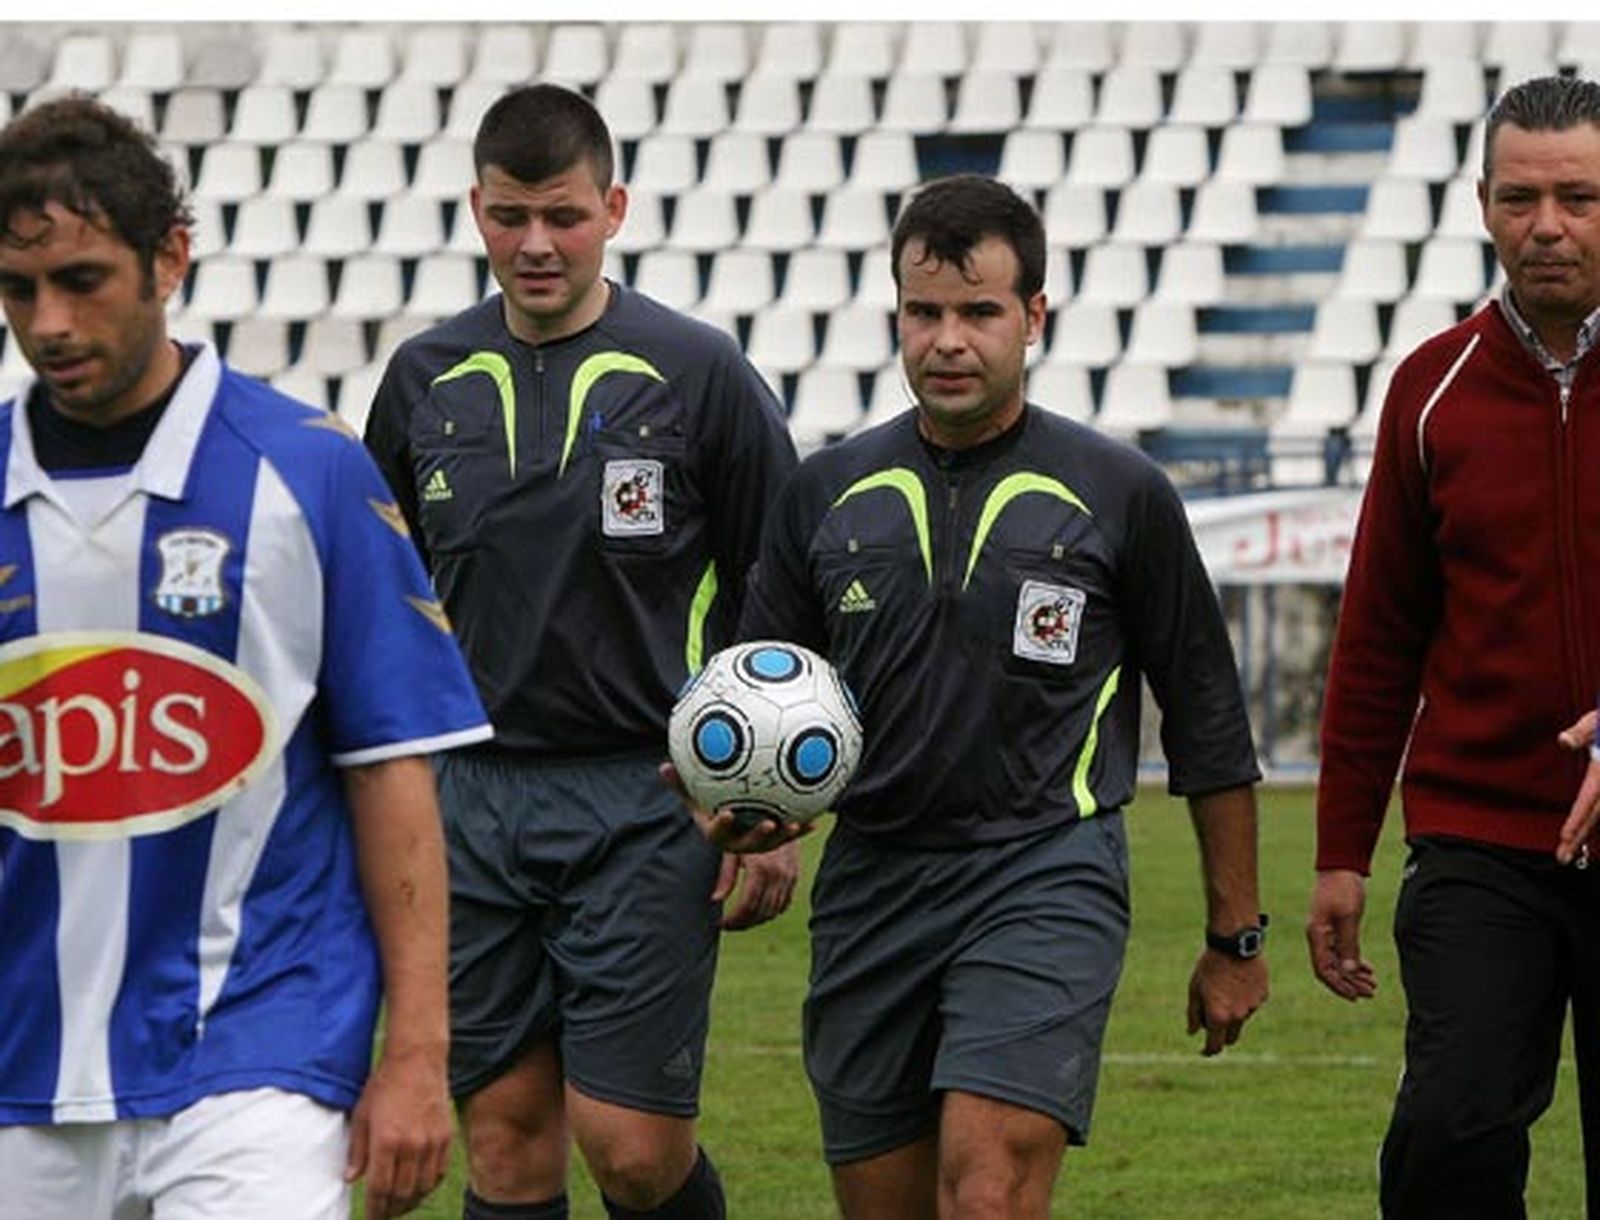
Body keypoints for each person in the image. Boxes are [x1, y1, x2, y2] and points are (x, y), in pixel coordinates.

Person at [688, 173, 1268, 1219]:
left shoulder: (1119, 493)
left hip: (1043, 867)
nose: (947, 340)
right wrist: (747, 819)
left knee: (986, 1186)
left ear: (1033, 317)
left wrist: (1234, 937)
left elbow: (1208, 718)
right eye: (924, 313)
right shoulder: (824, 495)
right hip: (872, 882)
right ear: (896, 316)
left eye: (978, 311)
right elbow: (755, 695)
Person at [0, 97, 493, 1220]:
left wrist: (416, 1055)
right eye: (20, 288)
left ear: (169, 256)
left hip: (256, 1044)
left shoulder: (305, 473)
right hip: (23, 1059)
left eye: (82, 279)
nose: (49, 322)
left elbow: (390, 768)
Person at [363, 83, 799, 1220]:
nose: (536, 243)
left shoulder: (699, 372)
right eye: (511, 216)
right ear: (476, 211)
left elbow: (784, 591)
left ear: (612, 207)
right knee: (504, 1141)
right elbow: (378, 597)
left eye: (561, 214)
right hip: (471, 799)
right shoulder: (420, 379)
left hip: (648, 796)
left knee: (635, 1150)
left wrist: (766, 806)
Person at [1310, 74, 1600, 1218]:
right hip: (1483, 838)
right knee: (1447, 1134)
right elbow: (1379, 634)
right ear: (1481, 201)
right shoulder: (1428, 391)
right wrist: (1341, 848)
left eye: (1578, 197)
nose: (1547, 226)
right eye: (1520, 196)